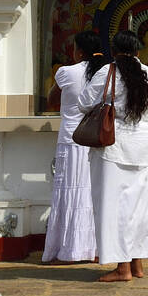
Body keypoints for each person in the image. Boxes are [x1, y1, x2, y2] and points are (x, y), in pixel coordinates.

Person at [78, 29, 148, 282]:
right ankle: (137, 265)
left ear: (113, 50)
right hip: (146, 147)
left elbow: (83, 102)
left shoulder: (108, 72)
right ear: (137, 51)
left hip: (115, 147)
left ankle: (122, 268)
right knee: (140, 208)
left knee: (115, 208)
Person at [42, 30, 103, 264]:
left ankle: (68, 248)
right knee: (93, 192)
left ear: (78, 51)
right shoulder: (106, 72)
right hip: (97, 139)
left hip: (71, 139)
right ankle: (93, 248)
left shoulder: (66, 72)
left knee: (69, 193)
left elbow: (51, 99)